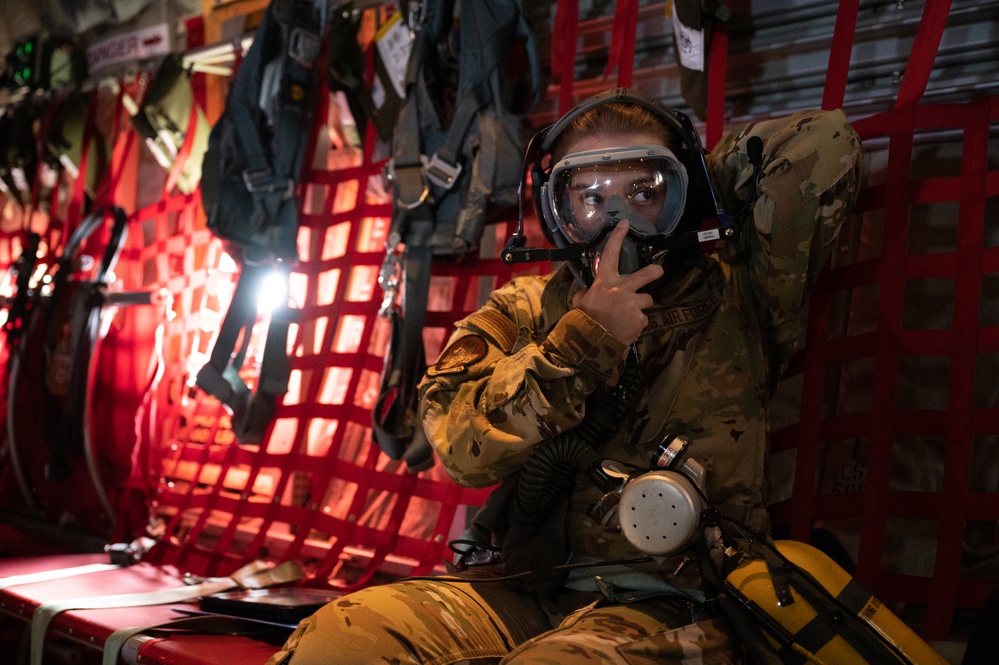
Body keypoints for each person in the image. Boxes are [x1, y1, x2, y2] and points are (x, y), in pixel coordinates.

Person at [266, 88, 862, 664]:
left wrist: (696, 175)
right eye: (593, 197)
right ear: (559, 210)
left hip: (677, 603)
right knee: (339, 640)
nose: (618, 219)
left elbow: (825, 142)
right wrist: (582, 341)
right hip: (528, 587)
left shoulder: (740, 293)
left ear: (680, 196)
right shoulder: (524, 311)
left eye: (644, 191)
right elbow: (459, 447)